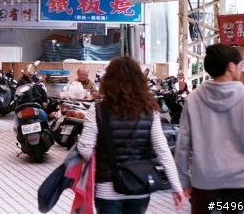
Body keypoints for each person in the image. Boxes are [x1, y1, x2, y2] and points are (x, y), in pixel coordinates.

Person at [77, 57, 185, 213]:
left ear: (108, 80)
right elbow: (163, 151)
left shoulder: (98, 109)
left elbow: (85, 149)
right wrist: (176, 186)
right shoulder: (150, 110)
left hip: (108, 188)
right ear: (139, 81)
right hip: (139, 184)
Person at [175, 44, 244, 214]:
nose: (241, 68)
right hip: (239, 183)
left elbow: (183, 144)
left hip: (203, 182)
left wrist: (183, 180)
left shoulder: (194, 98)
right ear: (231, 67)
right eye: (240, 64)